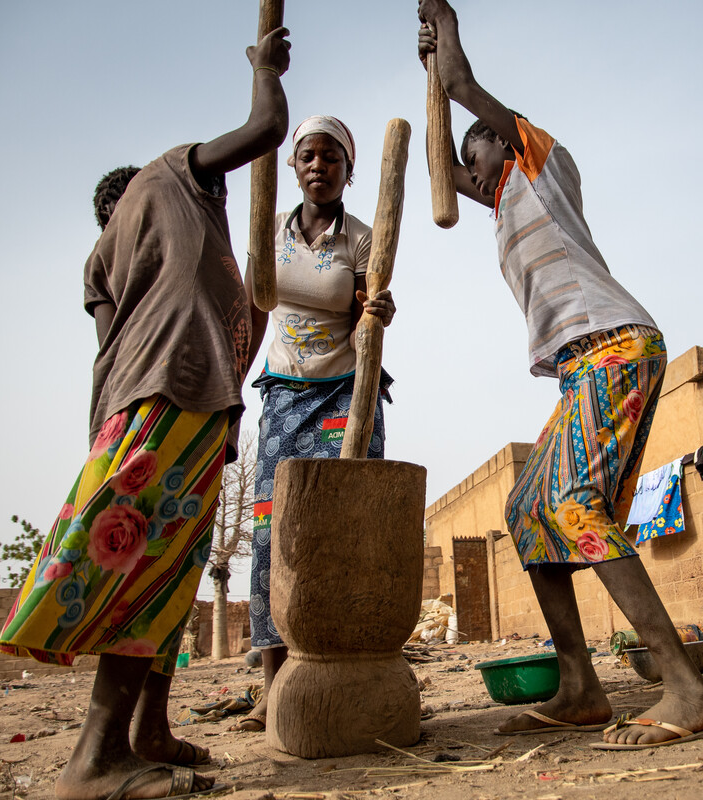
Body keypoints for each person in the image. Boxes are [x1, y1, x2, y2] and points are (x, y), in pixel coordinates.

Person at [416, 0, 703, 750]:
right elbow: (439, 171)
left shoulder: (541, 163)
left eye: (476, 145)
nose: (470, 162)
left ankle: (687, 688)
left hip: (616, 345)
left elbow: (463, 82)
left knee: (579, 505)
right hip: (583, 366)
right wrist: (424, 82)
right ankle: (580, 685)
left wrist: (444, 30)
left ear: (502, 143)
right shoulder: (497, 205)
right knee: (530, 511)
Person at [0, 27, 292, 800]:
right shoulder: (168, 178)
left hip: (172, 405)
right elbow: (264, 131)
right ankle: (94, 763)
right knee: (140, 564)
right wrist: (265, 69)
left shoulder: (109, 262)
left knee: (168, 570)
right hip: (171, 400)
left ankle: (148, 731)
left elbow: (111, 352)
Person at [228, 115, 396, 733]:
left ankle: (350, 671)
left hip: (345, 395)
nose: (318, 167)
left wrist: (377, 312)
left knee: (344, 529)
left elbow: (366, 314)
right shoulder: (267, 233)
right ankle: (274, 687)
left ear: (349, 169)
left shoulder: (361, 238)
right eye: (307, 157)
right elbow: (250, 311)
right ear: (293, 168)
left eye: (330, 157)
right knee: (274, 535)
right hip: (282, 396)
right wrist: (234, 393)